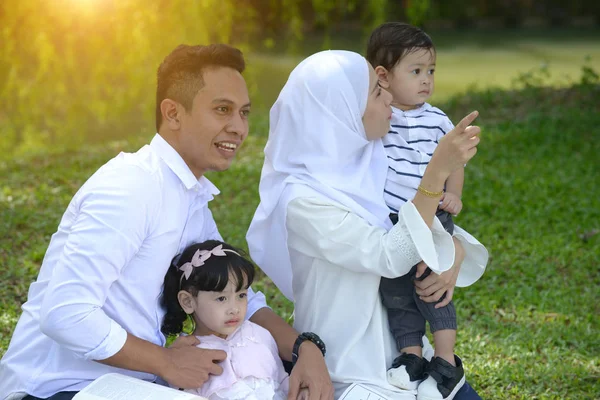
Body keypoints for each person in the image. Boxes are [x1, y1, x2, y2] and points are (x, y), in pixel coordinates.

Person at [0, 44, 332, 400]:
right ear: (173, 113)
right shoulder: (131, 186)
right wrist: (165, 362)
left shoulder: (190, 196)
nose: (238, 127)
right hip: (60, 387)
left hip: (131, 385)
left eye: (244, 113)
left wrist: (303, 349)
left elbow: (234, 291)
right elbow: (64, 313)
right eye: (223, 110)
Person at [246, 50, 488, 400]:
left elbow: (414, 221)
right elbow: (389, 254)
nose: (390, 95)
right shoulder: (302, 201)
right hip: (355, 372)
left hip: (412, 358)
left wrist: (456, 250)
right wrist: (436, 172)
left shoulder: (371, 162)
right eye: (376, 91)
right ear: (340, 111)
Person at [366, 22, 485, 399]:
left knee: (433, 287)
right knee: (397, 291)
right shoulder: (378, 118)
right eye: (416, 71)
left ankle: (446, 359)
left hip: (433, 214)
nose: (426, 81)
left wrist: (454, 195)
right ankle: (411, 355)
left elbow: (456, 162)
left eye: (430, 71)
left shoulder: (435, 119)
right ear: (383, 77)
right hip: (394, 223)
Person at [162, 239, 301, 400]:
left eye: (241, 295)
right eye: (221, 298)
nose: (234, 309)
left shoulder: (259, 335)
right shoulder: (185, 356)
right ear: (188, 301)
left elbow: (281, 378)